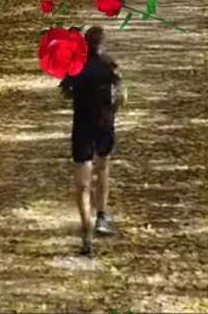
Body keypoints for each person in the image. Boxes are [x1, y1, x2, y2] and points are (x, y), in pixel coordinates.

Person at [59, 25, 126, 258]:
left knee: (82, 183)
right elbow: (122, 96)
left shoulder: (75, 66)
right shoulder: (110, 65)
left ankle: (86, 231)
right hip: (105, 125)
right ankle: (102, 215)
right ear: (102, 43)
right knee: (103, 168)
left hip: (82, 127)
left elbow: (65, 92)